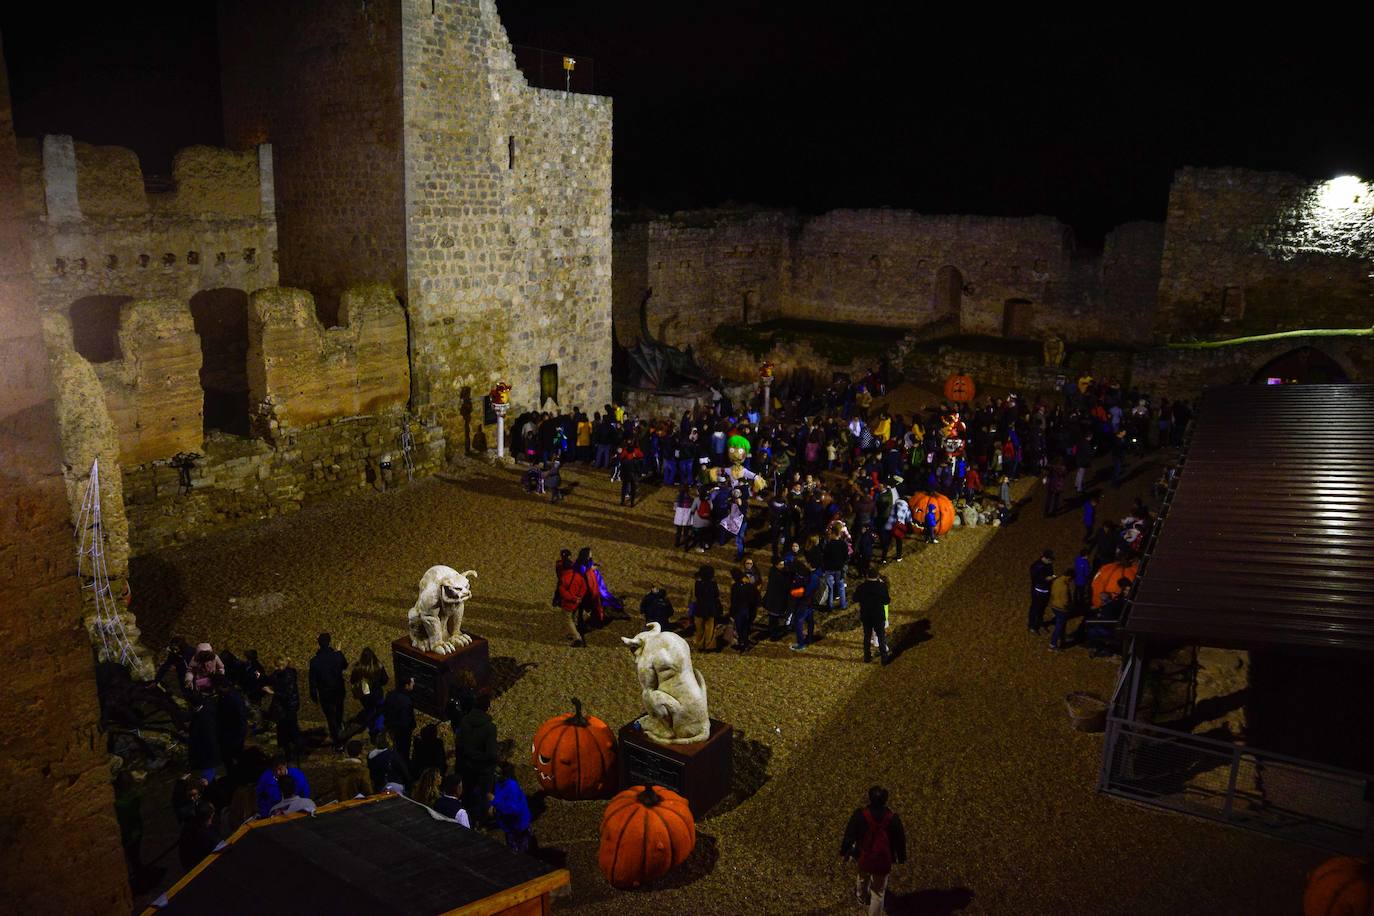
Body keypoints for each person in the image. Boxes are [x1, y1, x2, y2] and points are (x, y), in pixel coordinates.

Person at [840, 785, 907, 916]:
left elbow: (850, 834)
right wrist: (901, 857)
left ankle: (861, 898)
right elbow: (900, 840)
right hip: (883, 859)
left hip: (864, 855)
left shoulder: (860, 815)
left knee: (862, 877)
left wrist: (845, 850)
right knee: (878, 892)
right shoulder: (893, 819)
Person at [458, 693, 500, 822]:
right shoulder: (490, 728)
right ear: (487, 708)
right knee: (484, 795)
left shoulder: (464, 721)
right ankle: (480, 820)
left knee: (467, 792)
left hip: (466, 765)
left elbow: (459, 743)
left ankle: (467, 816)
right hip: (483, 769)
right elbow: (491, 753)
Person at [308, 632, 348, 749]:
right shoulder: (336, 656)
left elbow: (312, 680)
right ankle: (340, 727)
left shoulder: (314, 661)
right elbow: (344, 665)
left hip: (325, 693)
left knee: (330, 717)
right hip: (338, 690)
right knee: (339, 710)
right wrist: (339, 652)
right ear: (329, 642)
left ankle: (337, 739)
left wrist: (313, 695)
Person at [489, 761, 533, 852]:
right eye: (495, 772)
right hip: (509, 826)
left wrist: (495, 802)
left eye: (498, 773)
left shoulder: (512, 787)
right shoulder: (498, 783)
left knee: (521, 854)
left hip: (519, 826)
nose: (495, 774)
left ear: (505, 775)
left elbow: (513, 809)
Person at [264, 655, 302, 761]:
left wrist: (272, 692)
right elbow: (271, 678)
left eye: (277, 666)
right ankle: (287, 749)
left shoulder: (289, 676)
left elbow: (287, 695)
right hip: (285, 707)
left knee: (290, 728)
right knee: (285, 728)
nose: (275, 669)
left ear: (283, 665)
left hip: (289, 706)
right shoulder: (280, 672)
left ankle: (293, 751)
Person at [349, 647, 389, 740]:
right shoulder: (378, 666)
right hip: (377, 694)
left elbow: (352, 681)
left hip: (364, 696)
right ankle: (378, 730)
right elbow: (385, 680)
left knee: (369, 710)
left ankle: (371, 726)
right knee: (379, 711)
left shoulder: (358, 668)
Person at [854, 568, 891, 664]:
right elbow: (886, 601)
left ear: (867, 576)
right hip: (878, 616)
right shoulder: (882, 587)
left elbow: (855, 598)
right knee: (881, 637)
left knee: (867, 636)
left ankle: (867, 657)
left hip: (866, 615)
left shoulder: (861, 587)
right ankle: (884, 658)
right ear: (878, 576)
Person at [382, 675, 417, 765]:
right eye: (412, 683)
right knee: (403, 750)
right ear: (406, 685)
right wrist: (411, 726)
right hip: (402, 732)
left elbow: (385, 710)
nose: (413, 685)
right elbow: (406, 721)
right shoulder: (406, 701)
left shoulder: (390, 695)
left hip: (392, 727)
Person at [178, 801, 221, 872]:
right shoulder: (206, 836)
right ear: (211, 816)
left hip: (187, 862)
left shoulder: (189, 825)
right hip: (197, 867)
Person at [556, 550, 588, 646]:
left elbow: (563, 593)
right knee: (572, 617)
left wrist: (573, 598)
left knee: (568, 619)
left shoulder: (564, 579)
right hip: (577, 601)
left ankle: (576, 637)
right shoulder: (578, 576)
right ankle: (571, 632)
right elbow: (584, 587)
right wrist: (579, 597)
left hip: (569, 602)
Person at [729, 566, 761, 651]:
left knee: (739, 628)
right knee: (745, 627)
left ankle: (741, 642)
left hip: (739, 610)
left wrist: (731, 613)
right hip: (747, 610)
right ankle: (745, 642)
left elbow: (733, 601)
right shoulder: (750, 587)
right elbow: (755, 599)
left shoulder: (735, 587)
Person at [693, 564, 723, 652]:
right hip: (710, 608)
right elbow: (716, 594)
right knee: (709, 627)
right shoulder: (713, 584)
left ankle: (700, 644)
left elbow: (697, 595)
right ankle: (708, 645)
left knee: (699, 628)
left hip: (700, 608)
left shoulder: (698, 584)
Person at [1028, 549, 1054, 634]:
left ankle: (1039, 624)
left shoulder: (1048, 565)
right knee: (1035, 609)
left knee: (1042, 609)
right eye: (1049, 560)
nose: (1051, 561)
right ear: (1044, 558)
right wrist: (1046, 579)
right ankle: (1032, 626)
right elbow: (1035, 579)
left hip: (1045, 591)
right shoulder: (1036, 566)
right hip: (1038, 591)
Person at [1048, 565, 1074, 651]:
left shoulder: (1057, 580)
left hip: (1054, 605)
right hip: (1061, 609)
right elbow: (1065, 602)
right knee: (1059, 626)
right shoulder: (1064, 587)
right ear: (1069, 577)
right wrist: (1070, 608)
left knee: (1060, 625)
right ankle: (1053, 644)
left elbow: (1052, 592)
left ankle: (1061, 638)